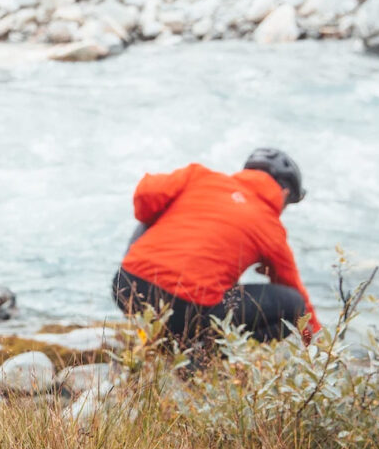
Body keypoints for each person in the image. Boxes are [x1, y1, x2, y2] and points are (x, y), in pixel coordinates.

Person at [113, 148, 320, 347]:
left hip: (127, 288)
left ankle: (159, 335)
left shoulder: (200, 176)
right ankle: (203, 354)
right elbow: (297, 297)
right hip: (184, 313)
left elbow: (147, 191)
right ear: (283, 193)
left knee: (156, 212)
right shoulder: (271, 227)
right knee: (294, 303)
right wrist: (319, 345)